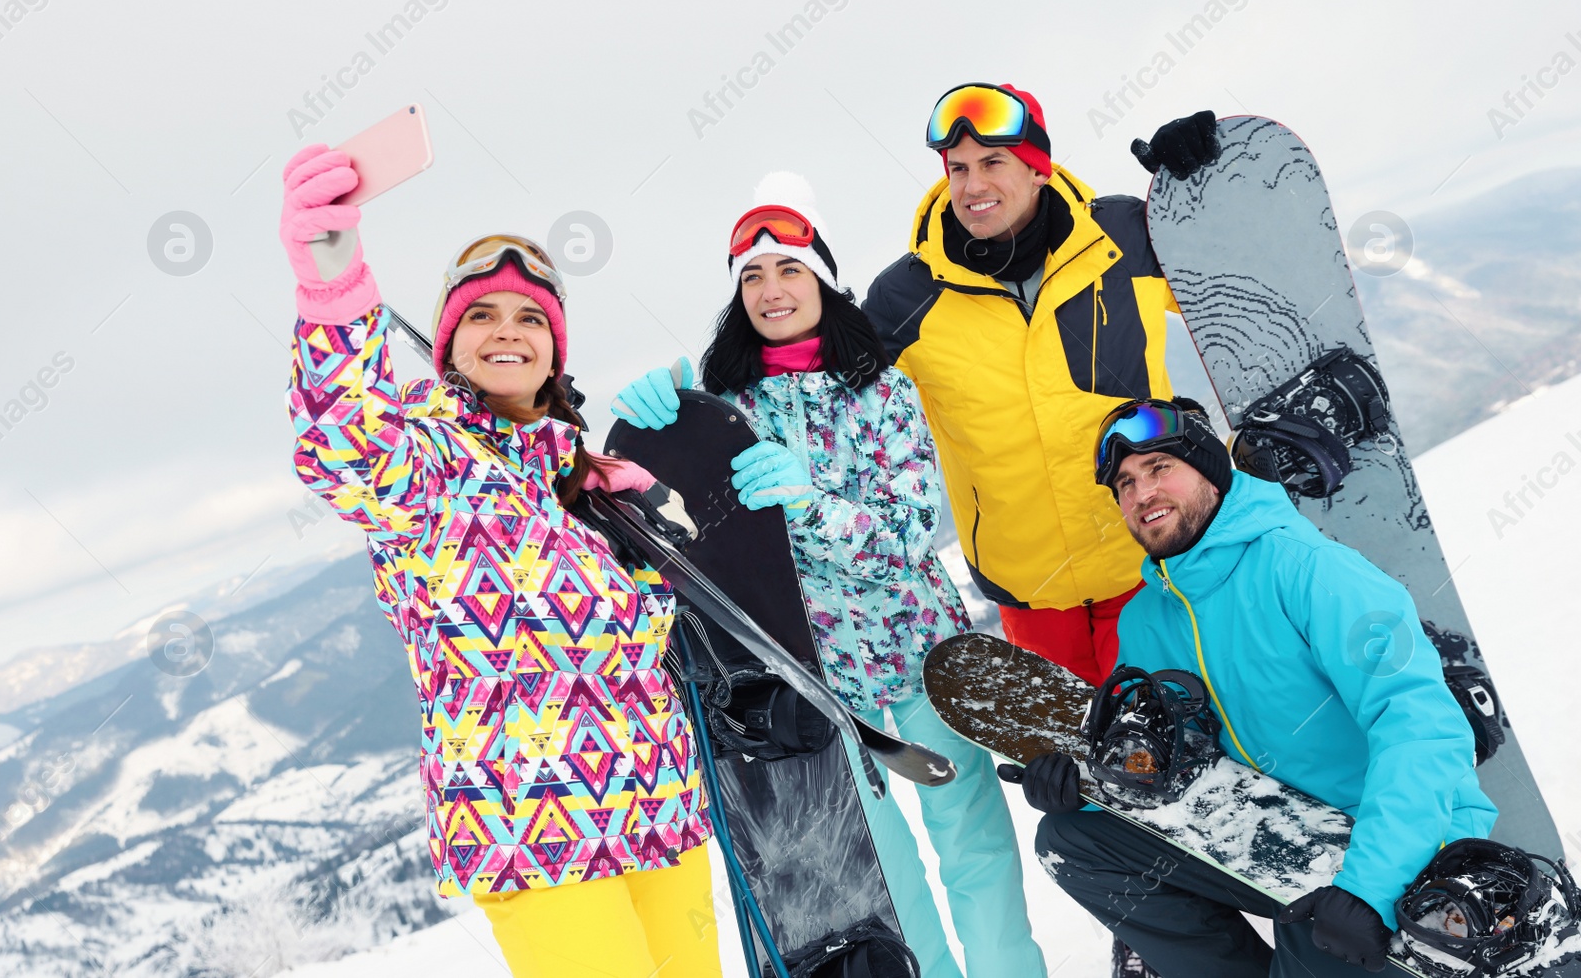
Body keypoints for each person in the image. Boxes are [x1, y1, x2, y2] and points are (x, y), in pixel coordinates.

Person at [280, 144, 716, 978]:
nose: (507, 330)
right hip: (537, 832)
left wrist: (653, 536)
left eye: (528, 317)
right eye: (482, 315)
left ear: (555, 349)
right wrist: (334, 288)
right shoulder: (430, 465)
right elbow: (340, 443)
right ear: (449, 344)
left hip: (659, 808)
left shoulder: (581, 482)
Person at [611, 175, 1048, 978]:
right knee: (888, 879)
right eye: (753, 276)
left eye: (789, 270)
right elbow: (689, 536)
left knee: (976, 854)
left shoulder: (884, 391)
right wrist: (650, 433)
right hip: (819, 684)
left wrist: (810, 506)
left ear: (824, 281)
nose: (771, 290)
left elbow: (911, 533)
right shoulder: (727, 409)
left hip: (923, 658)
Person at [1005, 397, 1498, 977]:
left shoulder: (1311, 569)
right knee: (1073, 839)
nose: (1141, 494)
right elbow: (1168, 761)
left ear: (1210, 473)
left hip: (1387, 843)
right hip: (1271, 830)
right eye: (1125, 484)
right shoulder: (1146, 620)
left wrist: (1370, 886)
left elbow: (1422, 728)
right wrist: (1090, 786)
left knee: (1314, 937)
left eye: (1160, 468)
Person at [861, 81, 1221, 687]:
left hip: (1148, 565)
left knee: (1176, 752)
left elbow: (1235, 284)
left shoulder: (1123, 237)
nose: (972, 186)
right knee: (1073, 772)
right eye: (958, 168)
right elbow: (827, 385)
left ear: (1037, 169)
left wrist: (1203, 187)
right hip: (1028, 591)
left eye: (993, 162)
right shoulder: (907, 295)